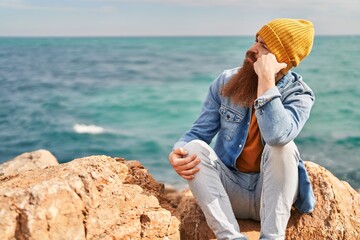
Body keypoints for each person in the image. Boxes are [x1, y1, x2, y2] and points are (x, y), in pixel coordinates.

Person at [168, 18, 316, 240]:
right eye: (256, 40)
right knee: (193, 148)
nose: (252, 49)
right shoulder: (226, 81)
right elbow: (198, 133)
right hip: (230, 192)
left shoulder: (299, 94)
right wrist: (177, 152)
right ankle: (230, 237)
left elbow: (277, 137)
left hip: (271, 197)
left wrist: (266, 81)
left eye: (264, 46)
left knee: (284, 148)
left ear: (282, 60)